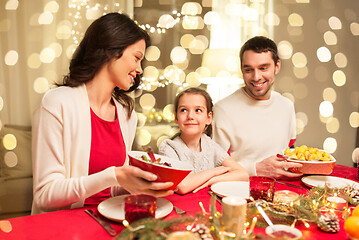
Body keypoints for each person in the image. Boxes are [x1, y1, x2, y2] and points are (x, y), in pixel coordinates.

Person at [32, 13, 173, 215]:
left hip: (111, 221)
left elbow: (111, 188)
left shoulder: (126, 113)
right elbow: (45, 195)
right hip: (65, 227)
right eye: (137, 58)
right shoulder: (57, 103)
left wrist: (139, 183)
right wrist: (113, 175)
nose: (140, 69)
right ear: (111, 50)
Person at [212, 36, 303, 179]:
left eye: (263, 68)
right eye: (248, 70)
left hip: (283, 190)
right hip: (238, 190)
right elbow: (214, 165)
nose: (256, 77)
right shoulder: (222, 110)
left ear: (277, 66)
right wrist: (254, 169)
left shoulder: (287, 106)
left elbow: (290, 150)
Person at [159, 88, 249, 194]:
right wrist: (215, 171)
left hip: (206, 206)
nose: (190, 116)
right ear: (176, 117)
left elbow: (243, 174)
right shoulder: (169, 148)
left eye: (198, 110)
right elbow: (182, 186)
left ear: (208, 118)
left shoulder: (209, 145)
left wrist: (212, 180)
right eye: (183, 110)